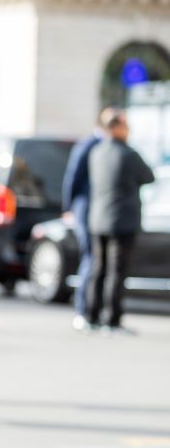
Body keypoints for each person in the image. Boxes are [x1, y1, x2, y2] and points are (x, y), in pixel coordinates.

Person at [86, 107, 154, 333]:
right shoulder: (127, 153)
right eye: (126, 126)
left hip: (98, 219)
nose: (129, 130)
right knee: (116, 272)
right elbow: (148, 176)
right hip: (121, 221)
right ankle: (111, 320)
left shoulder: (96, 152)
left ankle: (91, 316)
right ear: (116, 127)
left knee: (99, 270)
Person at [61, 116, 104, 331]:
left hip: (96, 209)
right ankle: (81, 309)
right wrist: (68, 208)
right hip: (84, 208)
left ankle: (92, 310)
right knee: (90, 256)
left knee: (95, 258)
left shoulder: (101, 145)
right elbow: (73, 176)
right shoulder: (90, 144)